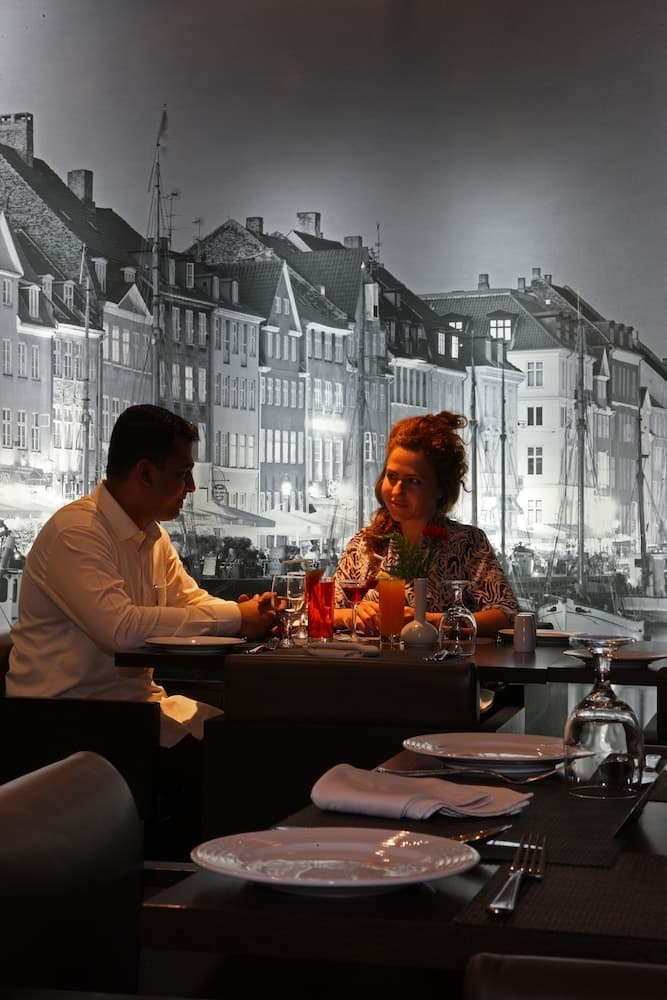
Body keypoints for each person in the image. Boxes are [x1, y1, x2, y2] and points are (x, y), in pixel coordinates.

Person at [7, 404, 276, 748]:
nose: (192, 487)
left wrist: (247, 615)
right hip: (61, 720)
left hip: (129, 709)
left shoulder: (152, 535)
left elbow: (189, 600)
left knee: (256, 735)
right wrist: (237, 617)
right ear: (145, 473)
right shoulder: (76, 532)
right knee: (241, 748)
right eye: (183, 474)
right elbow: (121, 629)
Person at [334, 411, 519, 636]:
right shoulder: (363, 545)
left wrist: (431, 620)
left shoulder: (467, 543)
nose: (397, 491)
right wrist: (351, 615)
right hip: (372, 658)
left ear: (441, 488)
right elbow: (323, 610)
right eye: (392, 477)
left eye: (413, 481)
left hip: (441, 659)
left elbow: (507, 615)